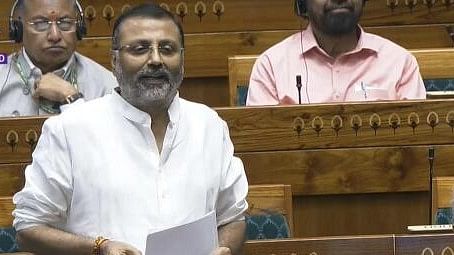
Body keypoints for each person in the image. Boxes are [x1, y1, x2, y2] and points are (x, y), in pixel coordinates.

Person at [13, 3, 248, 255]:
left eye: (167, 49)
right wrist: (98, 247)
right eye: (140, 49)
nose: (156, 60)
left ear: (182, 60)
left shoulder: (209, 125)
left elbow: (233, 217)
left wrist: (225, 248)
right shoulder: (70, 130)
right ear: (114, 61)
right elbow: (28, 228)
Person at [246, 0, 426, 105]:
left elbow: (418, 148)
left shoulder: (400, 63)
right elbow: (263, 156)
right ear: (302, 2)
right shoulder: (271, 66)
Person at [0, 0, 117, 117]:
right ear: (18, 29)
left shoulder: (106, 85)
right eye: (41, 23)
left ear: (79, 28)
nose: (55, 36)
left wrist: (71, 97)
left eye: (65, 23)